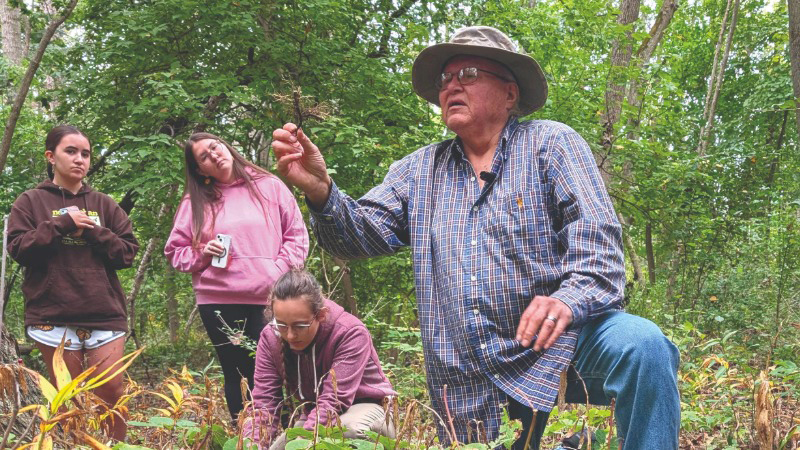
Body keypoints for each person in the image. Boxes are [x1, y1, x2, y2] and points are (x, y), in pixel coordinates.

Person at [271, 26, 680, 449]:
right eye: (444, 79)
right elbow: (357, 237)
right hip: (469, 374)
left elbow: (600, 249)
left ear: (509, 93)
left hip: (560, 343)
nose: (451, 86)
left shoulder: (551, 144)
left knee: (643, 348)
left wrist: (567, 300)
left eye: (467, 73)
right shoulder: (419, 171)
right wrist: (320, 190)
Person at [7, 125, 139, 441]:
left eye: (86, 153)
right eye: (71, 151)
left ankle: (116, 447)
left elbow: (127, 253)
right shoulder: (30, 201)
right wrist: (62, 224)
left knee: (112, 389)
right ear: (51, 156)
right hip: (52, 312)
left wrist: (94, 231)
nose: (80, 159)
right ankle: (76, 446)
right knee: (70, 396)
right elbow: (18, 248)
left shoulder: (104, 204)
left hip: (104, 311)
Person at [164, 132, 309, 422]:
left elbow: (296, 235)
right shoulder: (195, 201)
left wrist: (277, 271)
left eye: (215, 147)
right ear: (200, 170)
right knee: (238, 374)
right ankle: (246, 435)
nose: (214, 155)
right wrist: (203, 252)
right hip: (220, 300)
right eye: (204, 157)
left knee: (281, 370)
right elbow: (175, 252)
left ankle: (286, 434)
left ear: (227, 147)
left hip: (272, 299)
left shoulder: (269, 185)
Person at [241, 269, 396, 449]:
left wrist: (304, 444)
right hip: (315, 414)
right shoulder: (270, 338)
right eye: (281, 325)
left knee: (348, 431)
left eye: (300, 326)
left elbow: (332, 401)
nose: (290, 335)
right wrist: (251, 445)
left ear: (321, 315)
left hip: (370, 410)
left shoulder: (350, 332)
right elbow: (264, 404)